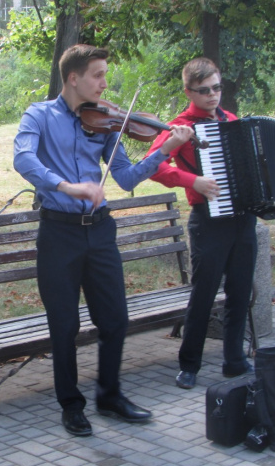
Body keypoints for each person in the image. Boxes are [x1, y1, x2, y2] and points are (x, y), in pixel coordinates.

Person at [13, 44, 195, 436]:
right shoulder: (39, 116)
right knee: (63, 325)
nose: (104, 83)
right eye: (97, 75)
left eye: (105, 75)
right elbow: (24, 160)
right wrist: (68, 186)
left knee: (115, 319)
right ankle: (71, 404)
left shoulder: (107, 121)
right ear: (73, 78)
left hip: (99, 230)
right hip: (59, 232)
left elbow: (126, 178)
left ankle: (110, 396)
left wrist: (166, 147)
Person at [145, 57, 275, 390]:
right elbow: (154, 166)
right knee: (203, 295)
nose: (212, 95)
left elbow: (258, 170)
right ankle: (189, 364)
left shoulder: (234, 122)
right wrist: (193, 181)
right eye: (204, 90)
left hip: (244, 219)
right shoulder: (179, 127)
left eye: (217, 88)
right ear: (189, 91)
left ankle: (235, 360)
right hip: (209, 222)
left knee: (240, 291)